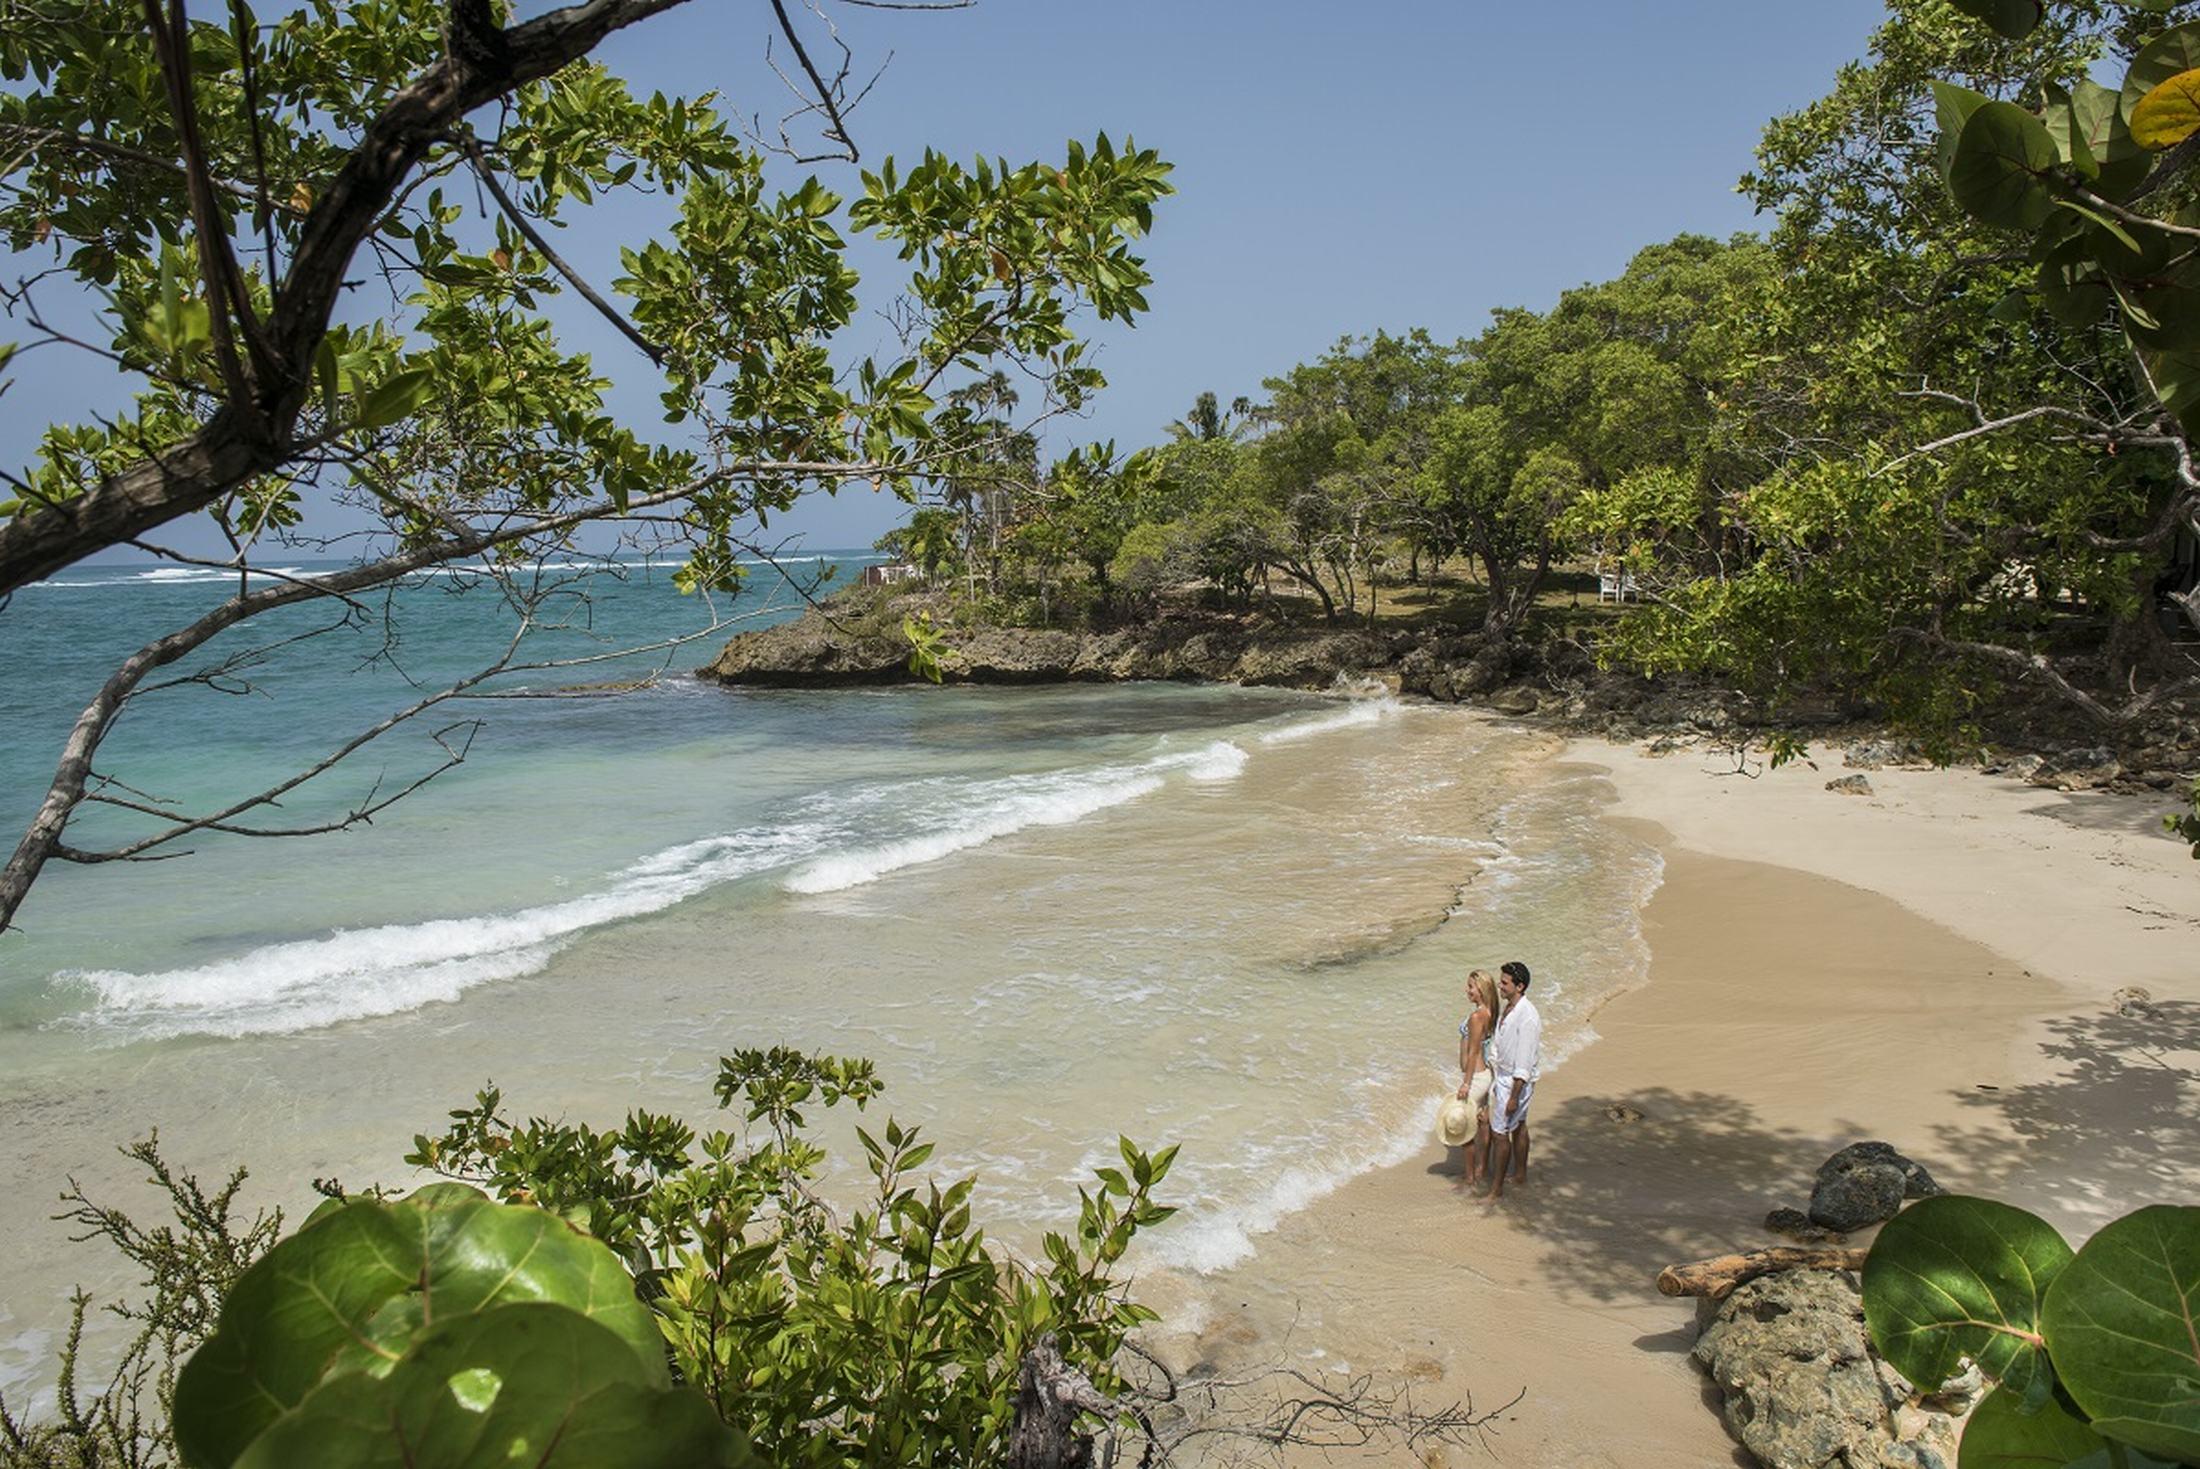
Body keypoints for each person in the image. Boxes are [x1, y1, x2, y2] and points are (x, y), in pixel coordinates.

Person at [1487, 959, 1541, 1200]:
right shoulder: (1510, 1008)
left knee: (1500, 1134)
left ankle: (1496, 1190)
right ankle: (1519, 1174)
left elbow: (1524, 1062)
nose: (1500, 986)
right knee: (1518, 1127)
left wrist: (1513, 1096)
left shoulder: (1527, 1017)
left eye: (1505, 982)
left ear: (1520, 986)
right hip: (1504, 1076)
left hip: (1514, 1082)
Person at [1455, 969, 1502, 1187]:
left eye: (1471, 986)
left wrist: (1466, 1083)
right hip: (1485, 1074)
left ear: (1481, 989)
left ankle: (1469, 1177)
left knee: (1463, 1125)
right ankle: (1482, 1168)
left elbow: (1473, 1052)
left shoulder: (1476, 1017)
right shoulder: (1490, 1012)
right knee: (1483, 1120)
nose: (1467, 990)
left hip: (1476, 1077)